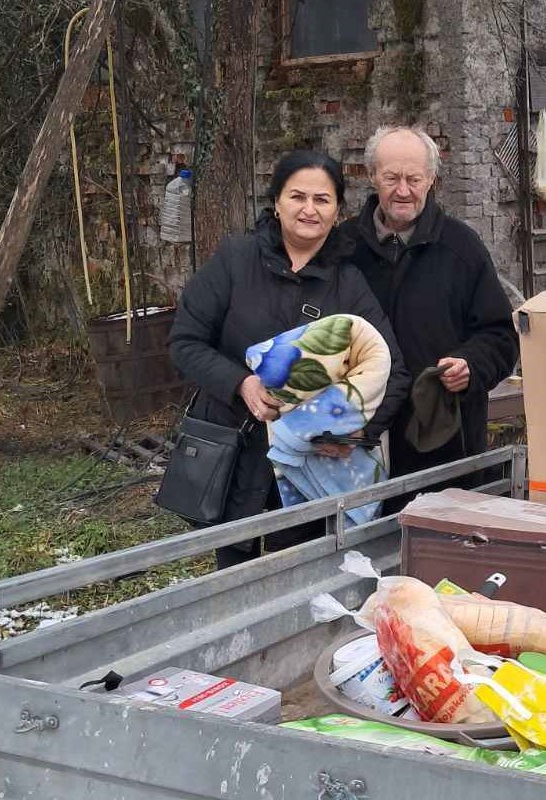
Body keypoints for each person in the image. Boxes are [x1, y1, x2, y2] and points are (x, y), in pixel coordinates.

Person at [169, 150, 410, 569]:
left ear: (337, 211)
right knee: (233, 576)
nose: (308, 209)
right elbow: (186, 341)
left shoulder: (347, 285)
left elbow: (393, 370)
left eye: (322, 199)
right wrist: (240, 383)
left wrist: (355, 434)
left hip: (305, 467)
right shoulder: (235, 261)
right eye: (297, 196)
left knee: (297, 574)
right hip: (234, 451)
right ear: (276, 202)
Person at [337, 126, 518, 484]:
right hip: (353, 438)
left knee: (437, 539)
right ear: (372, 176)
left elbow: (500, 336)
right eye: (391, 177)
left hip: (443, 441)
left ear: (432, 179)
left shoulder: (461, 248)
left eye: (413, 179)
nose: (402, 190)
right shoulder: (343, 247)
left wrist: (471, 365)